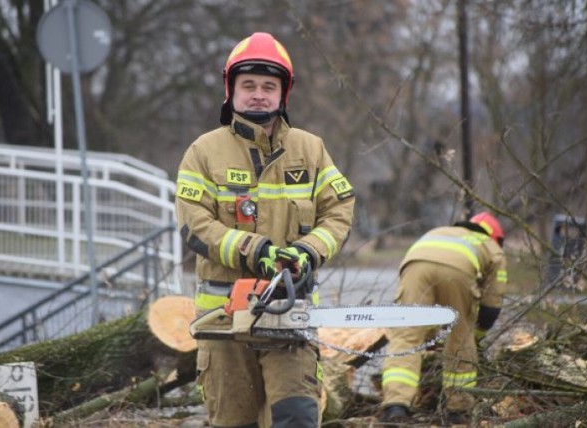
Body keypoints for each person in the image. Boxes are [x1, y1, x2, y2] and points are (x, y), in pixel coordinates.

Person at [175, 32, 355, 427]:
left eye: (268, 87)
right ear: (231, 90)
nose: (259, 94)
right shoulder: (203, 152)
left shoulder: (311, 150)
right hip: (224, 322)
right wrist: (258, 251)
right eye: (249, 85)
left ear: (283, 93)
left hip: (290, 315)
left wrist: (307, 252)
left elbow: (339, 209)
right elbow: (195, 224)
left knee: (296, 417)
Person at [379, 212, 508, 425]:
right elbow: (490, 308)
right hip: (458, 271)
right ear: (495, 236)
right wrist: (477, 336)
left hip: (415, 264)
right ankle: (458, 408)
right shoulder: (493, 249)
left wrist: (429, 335)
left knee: (407, 336)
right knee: (460, 337)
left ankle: (396, 405)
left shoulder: (440, 232)